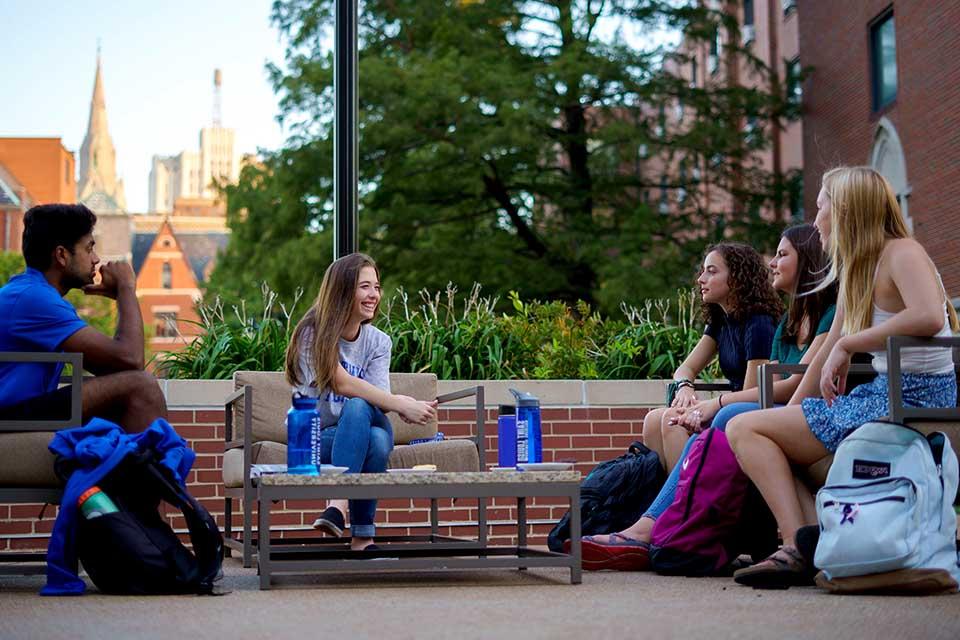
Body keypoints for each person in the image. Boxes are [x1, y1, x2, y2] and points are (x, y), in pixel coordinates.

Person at [728, 166, 958, 588]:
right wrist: (790, 414)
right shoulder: (858, 267)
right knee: (755, 431)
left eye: (821, 207)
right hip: (882, 395)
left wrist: (851, 344)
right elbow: (827, 350)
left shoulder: (902, 252)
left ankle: (798, 546)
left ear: (847, 210)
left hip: (916, 397)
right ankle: (816, 542)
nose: (815, 221)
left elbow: (927, 315)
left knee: (745, 428)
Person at [578, 242, 783, 568]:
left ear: (738, 278)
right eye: (702, 270)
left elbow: (756, 394)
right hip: (727, 407)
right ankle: (678, 522)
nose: (701, 278)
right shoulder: (721, 320)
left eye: (712, 271)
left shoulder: (758, 322)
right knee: (656, 419)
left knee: (672, 425)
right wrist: (686, 388)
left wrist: (709, 407)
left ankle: (681, 525)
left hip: (747, 410)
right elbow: (685, 368)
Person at [284, 252, 437, 552]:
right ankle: (362, 537)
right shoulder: (311, 334)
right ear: (342, 290)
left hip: (363, 421)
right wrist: (399, 403)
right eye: (364, 286)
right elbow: (341, 381)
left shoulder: (378, 341)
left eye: (377, 287)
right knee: (377, 441)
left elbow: (373, 402)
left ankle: (337, 506)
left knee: (359, 407)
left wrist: (390, 402)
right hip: (314, 438)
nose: (374, 295)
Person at [0, 204, 165, 433]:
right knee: (142, 386)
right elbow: (131, 359)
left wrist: (122, 297)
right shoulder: (34, 298)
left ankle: (146, 466)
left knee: (129, 390)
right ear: (61, 255)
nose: (96, 259)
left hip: (23, 408)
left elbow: (116, 367)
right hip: (9, 413)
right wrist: (126, 288)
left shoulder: (35, 294)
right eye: (89, 249)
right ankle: (156, 468)